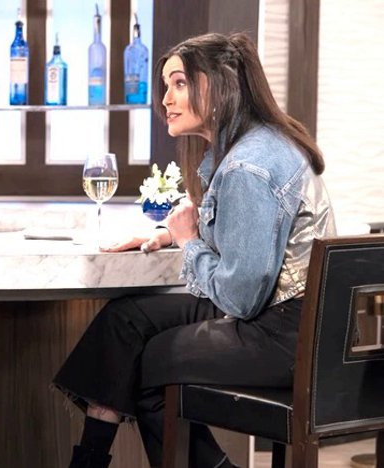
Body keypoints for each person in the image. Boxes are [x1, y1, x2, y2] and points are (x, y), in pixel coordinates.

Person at [53, 32, 336, 468]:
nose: (165, 99)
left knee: (150, 363)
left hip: (283, 336)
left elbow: (240, 298)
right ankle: (87, 462)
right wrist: (174, 234)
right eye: (166, 85)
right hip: (290, 320)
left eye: (179, 83)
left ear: (218, 86)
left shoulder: (248, 166)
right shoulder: (255, 145)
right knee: (125, 320)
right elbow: (250, 245)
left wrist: (188, 241)